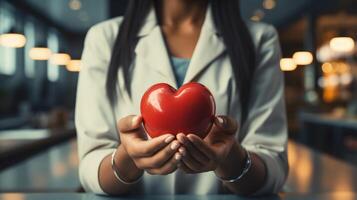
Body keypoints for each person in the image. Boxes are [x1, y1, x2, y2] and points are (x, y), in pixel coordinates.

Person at [75, 0, 288, 196]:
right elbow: (90, 166)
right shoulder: (104, 38)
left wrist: (231, 158)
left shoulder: (260, 40)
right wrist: (128, 159)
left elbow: (273, 166)